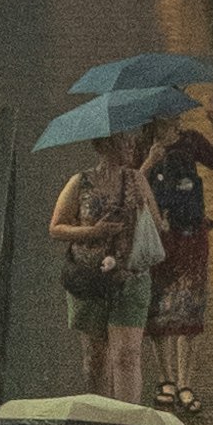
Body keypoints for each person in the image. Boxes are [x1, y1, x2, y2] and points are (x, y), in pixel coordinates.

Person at [47, 128, 158, 398]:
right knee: (96, 358)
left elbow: (156, 223)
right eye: (124, 139)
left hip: (131, 280)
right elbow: (56, 228)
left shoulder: (137, 180)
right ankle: (100, 421)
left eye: (133, 139)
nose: (132, 144)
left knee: (127, 356)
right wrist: (93, 232)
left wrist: (144, 215)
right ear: (106, 144)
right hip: (90, 282)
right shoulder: (80, 183)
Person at [141, 105, 213, 410]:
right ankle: (165, 378)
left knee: (190, 305)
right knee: (159, 304)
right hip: (158, 235)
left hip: (190, 231)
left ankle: (185, 382)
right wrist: (150, 162)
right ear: (157, 117)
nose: (177, 120)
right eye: (172, 114)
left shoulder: (190, 140)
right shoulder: (143, 144)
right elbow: (132, 183)